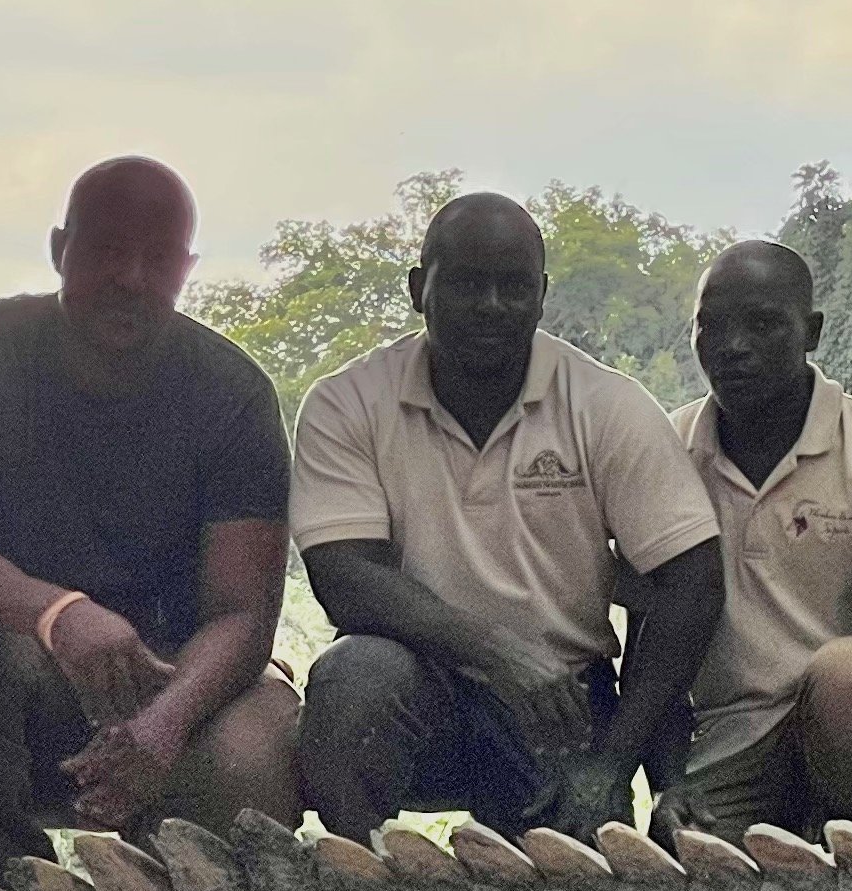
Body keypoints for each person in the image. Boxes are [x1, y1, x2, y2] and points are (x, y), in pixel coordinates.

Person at [0, 157, 300, 878]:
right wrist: (62, 615)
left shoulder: (234, 392)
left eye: (158, 258)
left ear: (185, 268)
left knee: (256, 754)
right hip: (22, 665)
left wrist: (164, 723)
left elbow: (242, 616)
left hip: (181, 676)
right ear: (58, 250)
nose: (130, 277)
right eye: (105, 250)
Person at [290, 190, 726, 839]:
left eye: (513, 286)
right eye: (466, 284)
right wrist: (497, 654)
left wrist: (617, 762)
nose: (491, 306)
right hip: (417, 686)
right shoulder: (347, 403)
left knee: (578, 888)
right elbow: (345, 578)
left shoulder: (604, 404)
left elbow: (692, 581)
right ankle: (362, 889)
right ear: (418, 289)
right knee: (352, 680)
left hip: (561, 702)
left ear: (542, 294)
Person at [655, 240, 852, 841]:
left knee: (844, 669)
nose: (733, 346)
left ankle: (840, 828)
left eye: (763, 324)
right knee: (684, 874)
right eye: (710, 326)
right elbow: (653, 636)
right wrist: (669, 779)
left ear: (812, 331)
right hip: (731, 736)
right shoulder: (667, 453)